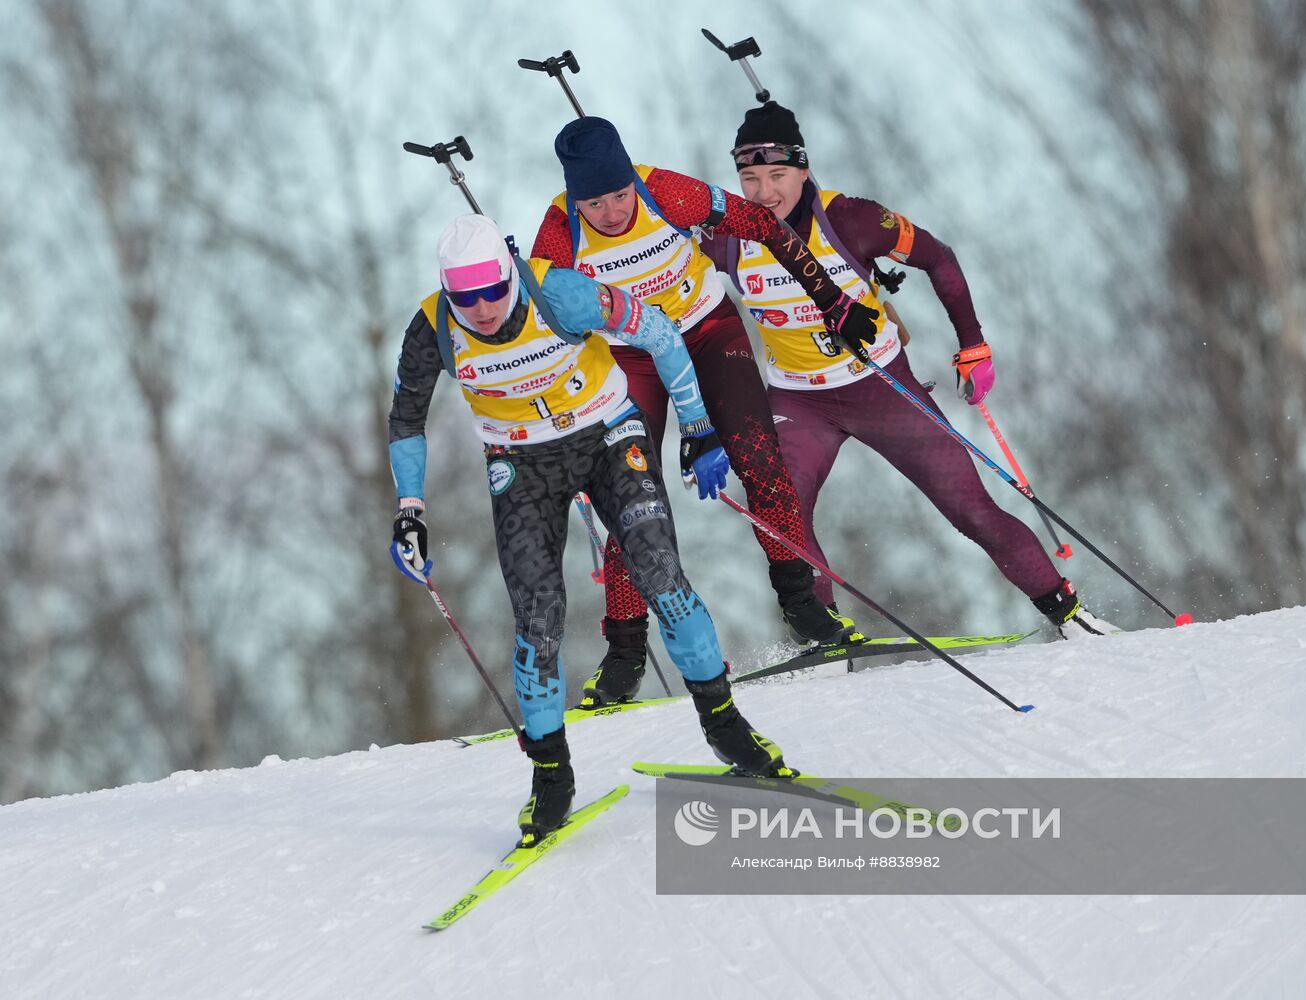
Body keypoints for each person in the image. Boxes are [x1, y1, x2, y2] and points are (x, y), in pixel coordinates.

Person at [388, 214, 794, 844]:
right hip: (520, 463)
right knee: (539, 616)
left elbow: (659, 332)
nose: (483, 308)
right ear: (447, 292)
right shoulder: (432, 327)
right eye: (465, 298)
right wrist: (410, 510)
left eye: (493, 290)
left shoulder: (560, 292)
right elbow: (405, 421)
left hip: (608, 436)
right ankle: (552, 777)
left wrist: (696, 426)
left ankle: (725, 725)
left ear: (510, 275)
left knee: (661, 574)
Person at [707, 101, 1116, 639]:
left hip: (881, 386)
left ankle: (1067, 613)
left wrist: (973, 345)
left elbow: (938, 258)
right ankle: (824, 632)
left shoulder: (850, 217)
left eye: (777, 175)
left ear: (803, 170)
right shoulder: (724, 236)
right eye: (750, 178)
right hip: (798, 398)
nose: (764, 193)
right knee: (783, 512)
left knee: (968, 510)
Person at [531, 116, 880, 708]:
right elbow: (542, 316)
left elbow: (762, 224)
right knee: (630, 496)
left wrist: (830, 297)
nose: (613, 213)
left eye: (619, 195)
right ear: (573, 198)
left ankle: (803, 606)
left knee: (761, 464)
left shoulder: (666, 191)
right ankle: (624, 653)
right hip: (628, 356)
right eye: (596, 203)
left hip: (708, 333)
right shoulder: (559, 233)